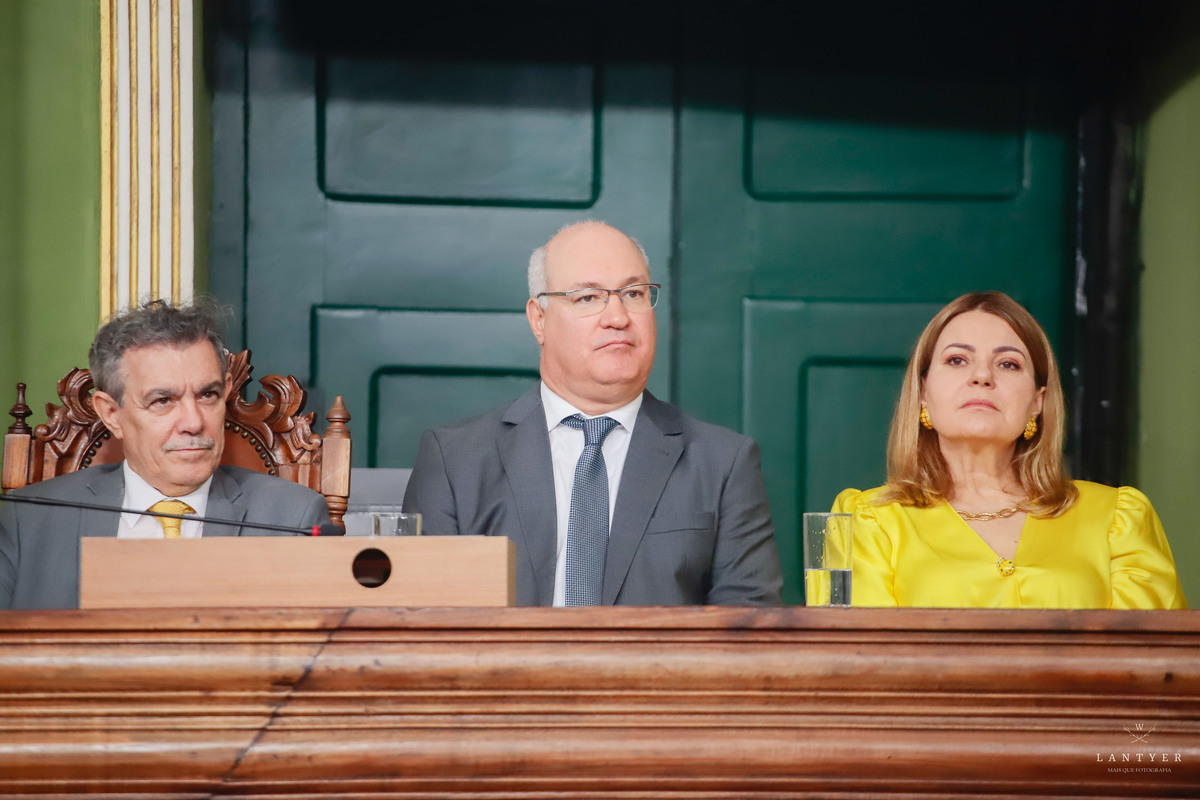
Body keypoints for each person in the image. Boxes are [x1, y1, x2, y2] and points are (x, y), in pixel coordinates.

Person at [404, 221, 783, 606]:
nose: (618, 317)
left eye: (633, 294)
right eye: (588, 298)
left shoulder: (723, 464)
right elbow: (422, 631)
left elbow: (750, 634)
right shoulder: (456, 459)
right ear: (539, 319)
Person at [833, 291, 1186, 609]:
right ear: (923, 393)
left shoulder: (1118, 519)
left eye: (1008, 364)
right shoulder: (867, 522)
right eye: (957, 360)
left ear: (1037, 402)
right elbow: (858, 668)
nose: (982, 376)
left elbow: (1154, 667)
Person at [0, 300, 332, 609]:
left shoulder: (292, 520)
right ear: (111, 413)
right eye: (163, 400)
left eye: (207, 395)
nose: (194, 422)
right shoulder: (26, 521)